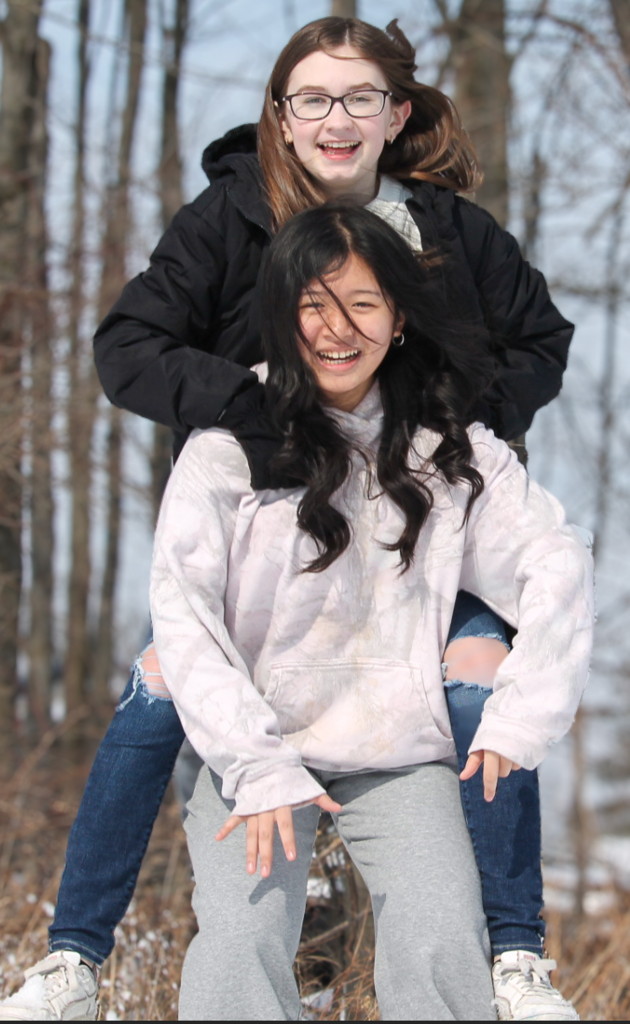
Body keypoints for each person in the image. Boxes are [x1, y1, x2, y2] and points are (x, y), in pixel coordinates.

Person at [0, 15, 577, 1023]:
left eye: (360, 98)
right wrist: (258, 412)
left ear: (397, 115)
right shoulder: (232, 217)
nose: (337, 118)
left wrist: (450, 426)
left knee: (480, 688)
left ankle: (514, 950)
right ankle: (77, 953)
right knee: (166, 683)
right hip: (276, 529)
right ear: (281, 115)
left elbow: (542, 343)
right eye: (312, 98)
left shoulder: (451, 232)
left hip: (420, 533)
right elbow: (130, 346)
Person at [149, 203, 593, 1021]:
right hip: (260, 746)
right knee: (240, 944)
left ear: (396, 317)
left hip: (397, 750)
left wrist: (517, 716)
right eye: (312, 303)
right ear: (281, 317)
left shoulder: (445, 446)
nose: (335, 326)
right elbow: (183, 616)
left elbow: (553, 559)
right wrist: (254, 764)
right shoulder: (226, 447)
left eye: (361, 301)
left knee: (439, 932)